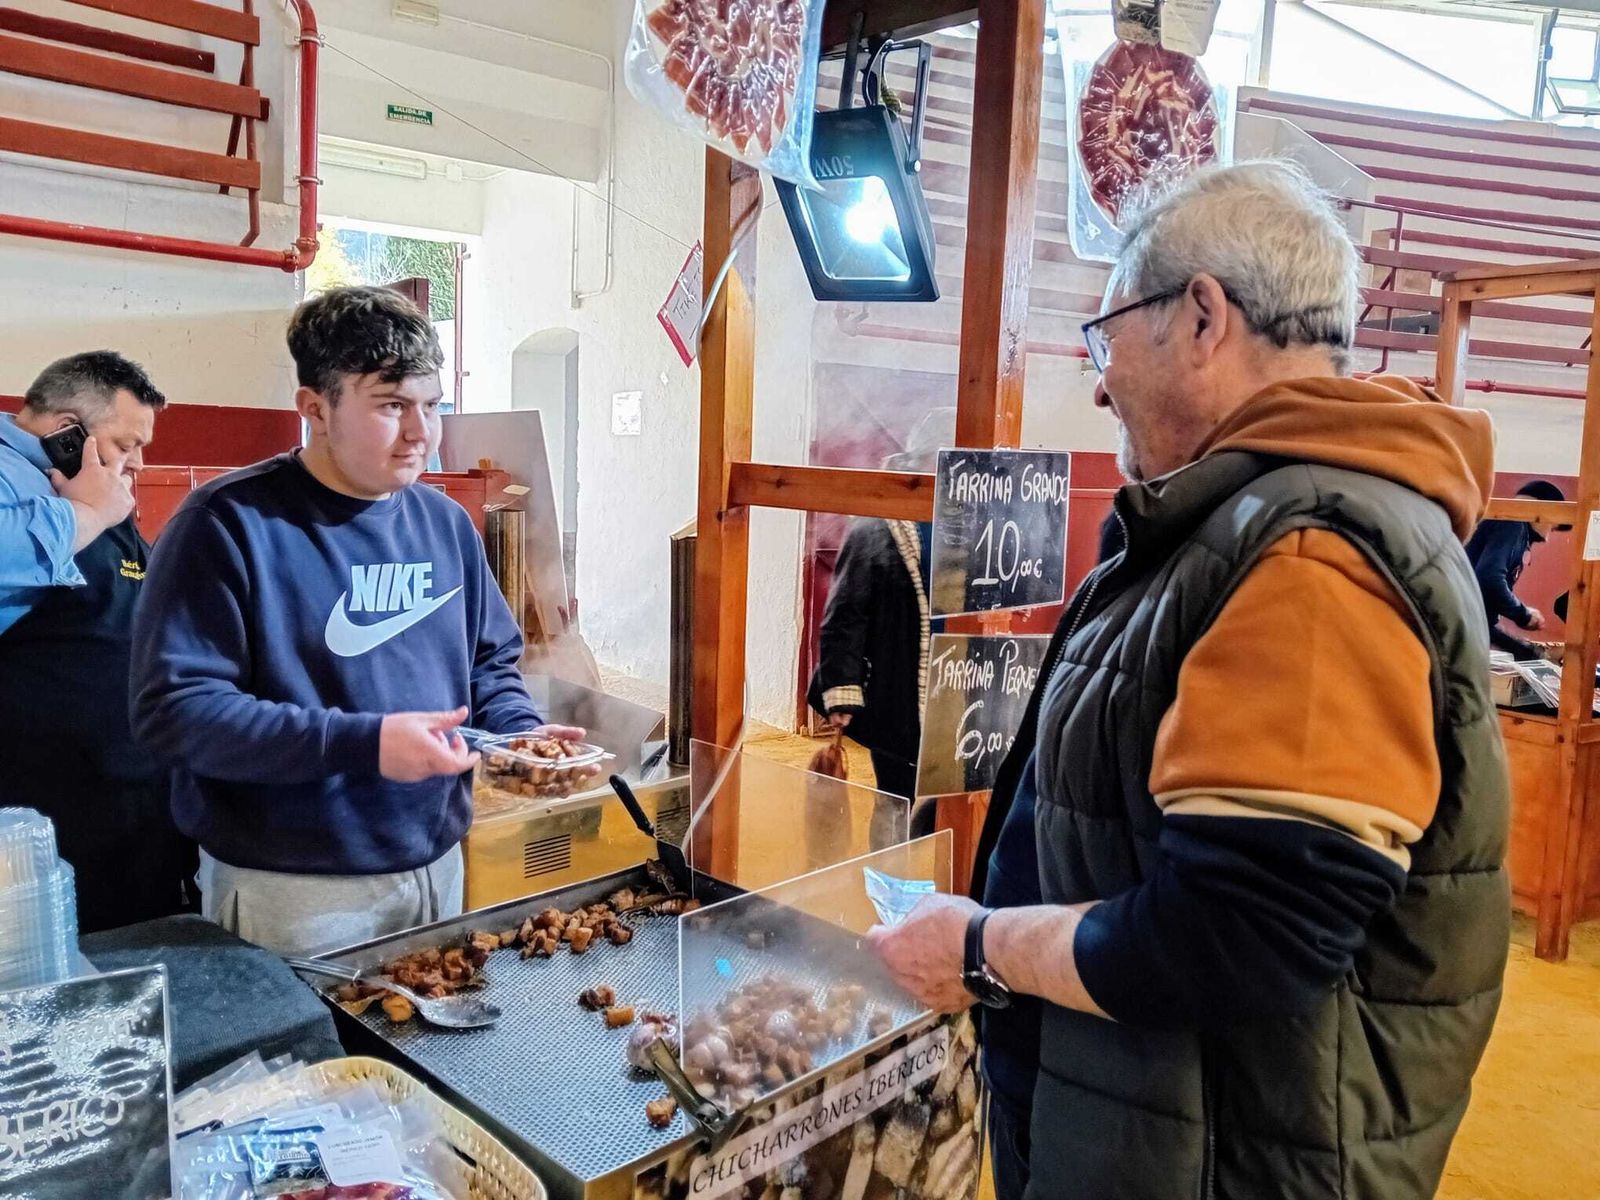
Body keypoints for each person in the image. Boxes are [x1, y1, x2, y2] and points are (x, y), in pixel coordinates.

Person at [868, 161, 1510, 1200]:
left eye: (1108, 334)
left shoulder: (1311, 553)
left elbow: (1241, 933)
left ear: (1203, 319)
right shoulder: (1243, 524)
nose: (1100, 380)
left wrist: (980, 949)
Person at [130, 287, 585, 955]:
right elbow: (174, 712)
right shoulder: (227, 525)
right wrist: (365, 744)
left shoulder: (445, 524)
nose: (421, 433)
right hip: (292, 887)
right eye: (391, 405)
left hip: (437, 865)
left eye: (431, 405)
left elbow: (488, 663)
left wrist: (517, 736)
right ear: (315, 407)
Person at [0, 351, 193, 933]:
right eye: (126, 444)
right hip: (40, 805)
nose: (138, 463)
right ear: (68, 431)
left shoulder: (96, 487)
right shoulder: (14, 475)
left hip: (129, 789)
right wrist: (84, 511)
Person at [807, 409, 955, 837]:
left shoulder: (973, 523)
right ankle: (890, 871)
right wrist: (843, 690)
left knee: (955, 799)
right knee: (896, 796)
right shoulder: (876, 526)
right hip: (898, 691)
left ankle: (945, 869)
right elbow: (845, 616)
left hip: (959, 683)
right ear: (927, 459)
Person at [1465, 478, 1567, 661]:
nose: (1547, 537)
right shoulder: (1513, 524)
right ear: (1541, 511)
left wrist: (1519, 647)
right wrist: (1522, 614)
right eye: (1552, 527)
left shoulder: (1505, 524)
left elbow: (1478, 612)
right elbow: (1489, 579)